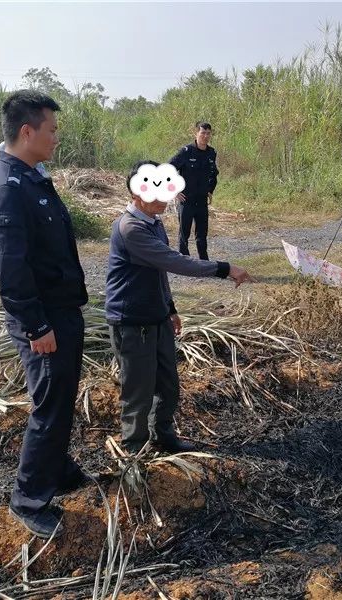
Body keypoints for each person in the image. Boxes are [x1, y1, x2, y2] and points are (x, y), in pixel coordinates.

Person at [0, 90, 90, 538]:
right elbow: (11, 269)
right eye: (52, 129)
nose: (56, 137)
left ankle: (57, 467)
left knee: (60, 396)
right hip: (43, 320)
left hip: (60, 312)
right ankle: (28, 498)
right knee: (49, 403)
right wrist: (36, 326)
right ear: (28, 132)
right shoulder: (7, 189)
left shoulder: (31, 177)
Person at [105, 160, 251, 455]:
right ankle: (134, 451)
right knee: (137, 391)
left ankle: (163, 436)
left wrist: (169, 308)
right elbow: (176, 262)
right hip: (133, 322)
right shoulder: (131, 229)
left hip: (156, 317)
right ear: (136, 195)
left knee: (168, 384)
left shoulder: (154, 223)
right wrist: (224, 268)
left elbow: (159, 271)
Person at [169, 121, 219, 260]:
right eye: (203, 133)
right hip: (186, 200)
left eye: (208, 133)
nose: (205, 136)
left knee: (202, 234)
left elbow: (213, 173)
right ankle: (184, 261)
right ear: (196, 133)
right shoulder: (186, 151)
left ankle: (204, 261)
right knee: (184, 233)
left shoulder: (211, 153)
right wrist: (174, 191)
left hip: (201, 200)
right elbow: (168, 169)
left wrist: (210, 190)